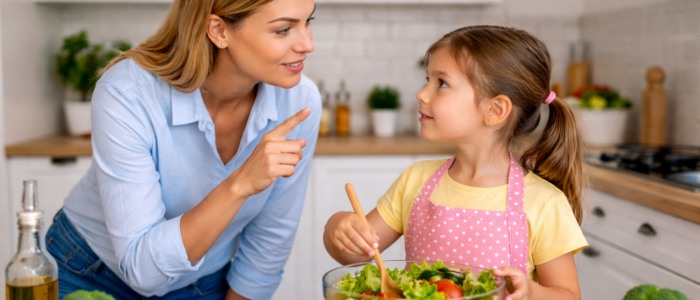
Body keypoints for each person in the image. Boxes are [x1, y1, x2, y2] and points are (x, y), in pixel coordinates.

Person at [45, 0, 318, 299]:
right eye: (283, 29)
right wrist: (240, 184)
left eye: (308, 22)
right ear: (218, 31)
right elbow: (142, 269)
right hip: (89, 271)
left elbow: (270, 239)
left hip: (202, 282)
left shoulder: (299, 102)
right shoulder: (128, 92)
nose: (307, 44)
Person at [323, 25, 587, 300]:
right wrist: (337, 227)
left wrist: (530, 292)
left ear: (494, 110)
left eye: (442, 83)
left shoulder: (544, 203)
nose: (422, 94)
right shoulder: (416, 180)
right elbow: (354, 253)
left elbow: (568, 295)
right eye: (428, 80)